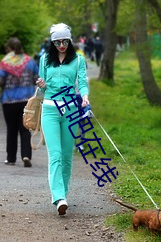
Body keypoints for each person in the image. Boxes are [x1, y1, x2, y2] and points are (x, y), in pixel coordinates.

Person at [36, 23, 89, 215]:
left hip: (71, 111)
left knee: (67, 155)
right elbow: (42, 89)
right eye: (57, 42)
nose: (61, 45)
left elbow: (82, 82)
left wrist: (84, 96)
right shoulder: (44, 60)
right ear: (52, 42)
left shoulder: (78, 60)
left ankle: (63, 194)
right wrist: (41, 84)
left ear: (70, 40)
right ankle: (58, 197)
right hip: (50, 110)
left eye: (65, 41)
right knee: (55, 154)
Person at [0, 37, 39, 167]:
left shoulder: (5, 63)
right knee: (25, 129)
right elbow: (37, 79)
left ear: (9, 49)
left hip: (9, 101)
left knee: (11, 130)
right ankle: (26, 155)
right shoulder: (30, 62)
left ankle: (11, 158)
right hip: (26, 101)